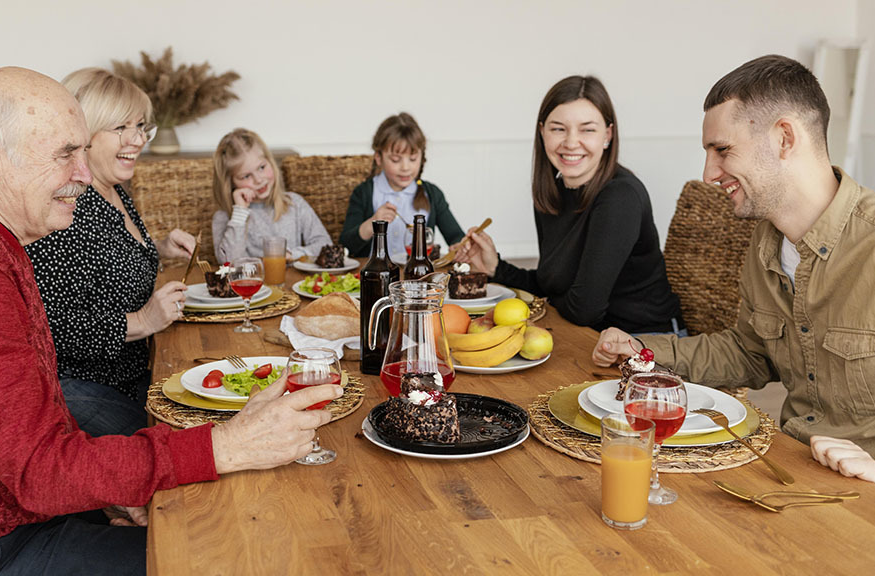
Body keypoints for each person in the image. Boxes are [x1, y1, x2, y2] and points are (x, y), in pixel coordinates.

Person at [0, 67, 341, 574]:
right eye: (65, 154)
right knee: (231, 556)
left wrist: (112, 486)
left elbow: (24, 445)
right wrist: (226, 445)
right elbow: (40, 469)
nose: (84, 174)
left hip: (19, 517)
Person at [591, 54, 875, 478]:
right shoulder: (765, 241)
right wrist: (646, 353)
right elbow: (749, 352)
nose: (709, 173)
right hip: (787, 470)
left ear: (784, 138)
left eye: (722, 150)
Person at [24, 68, 194, 437]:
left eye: (140, 126)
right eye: (120, 127)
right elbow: (50, 325)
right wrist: (144, 322)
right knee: (186, 441)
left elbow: (105, 268)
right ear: (83, 134)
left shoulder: (113, 191)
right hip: (82, 387)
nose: (137, 139)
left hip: (134, 370)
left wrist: (157, 251)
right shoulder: (68, 206)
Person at [456, 76, 682, 334]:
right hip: (587, 335)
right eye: (558, 129)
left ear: (607, 135)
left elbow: (583, 309)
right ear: (542, 132)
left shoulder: (620, 196)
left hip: (645, 341)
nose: (571, 142)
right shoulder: (552, 193)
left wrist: (544, 304)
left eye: (587, 129)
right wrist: (494, 267)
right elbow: (551, 286)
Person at [340, 112, 465, 259]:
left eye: (412, 159)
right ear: (379, 158)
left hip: (418, 278)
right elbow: (346, 246)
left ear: (421, 157)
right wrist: (372, 224)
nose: (405, 167)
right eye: (395, 160)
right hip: (377, 277)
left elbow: (456, 237)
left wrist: (460, 247)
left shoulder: (432, 194)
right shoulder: (364, 193)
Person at [212, 128, 331, 262]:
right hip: (256, 282)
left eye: (262, 167)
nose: (258, 179)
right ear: (231, 184)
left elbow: (325, 244)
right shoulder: (224, 217)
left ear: (270, 162)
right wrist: (240, 213)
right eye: (246, 176)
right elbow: (228, 262)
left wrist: (292, 254)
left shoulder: (294, 204)